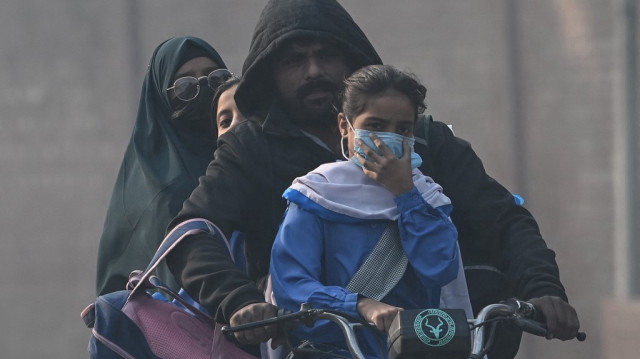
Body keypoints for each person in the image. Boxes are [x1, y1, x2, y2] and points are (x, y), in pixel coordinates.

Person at [166, 1, 580, 358]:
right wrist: (241, 302)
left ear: (352, 62)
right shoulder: (253, 149)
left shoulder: (427, 144)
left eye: (327, 55)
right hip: (313, 340)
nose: (313, 71)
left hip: (430, 338)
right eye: (294, 60)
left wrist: (543, 289)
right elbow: (193, 232)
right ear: (270, 74)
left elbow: (503, 219)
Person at [270, 64, 471, 358]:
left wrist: (405, 195)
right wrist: (360, 305)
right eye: (375, 126)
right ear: (344, 126)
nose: (389, 139)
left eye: (403, 129)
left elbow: (440, 268)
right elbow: (292, 286)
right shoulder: (315, 195)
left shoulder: (429, 199)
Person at [95, 36, 232, 296]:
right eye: (185, 85)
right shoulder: (163, 190)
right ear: (160, 98)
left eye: (216, 79)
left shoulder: (240, 161)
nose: (204, 90)